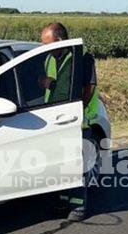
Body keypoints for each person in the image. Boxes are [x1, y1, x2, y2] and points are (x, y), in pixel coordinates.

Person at [39, 22, 100, 222]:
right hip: (54, 121)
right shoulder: (49, 58)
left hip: (77, 122)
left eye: (47, 43)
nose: (44, 48)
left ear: (59, 40)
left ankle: (78, 206)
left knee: (75, 167)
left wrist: (77, 111)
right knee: (59, 165)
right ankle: (62, 201)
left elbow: (89, 87)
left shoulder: (82, 57)